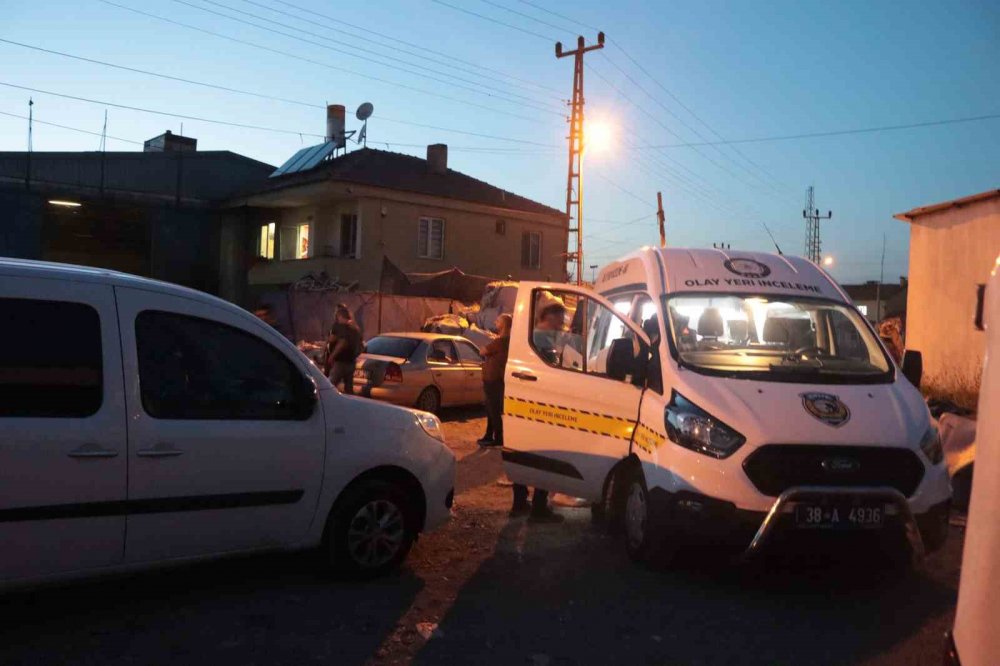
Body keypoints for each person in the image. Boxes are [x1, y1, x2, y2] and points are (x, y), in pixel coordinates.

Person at [478, 314, 511, 448]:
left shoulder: (500, 342)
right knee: (491, 409)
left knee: (493, 410)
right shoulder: (506, 341)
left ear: (503, 325)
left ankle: (498, 438)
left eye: (498, 321)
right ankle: (489, 435)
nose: (495, 322)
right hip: (495, 379)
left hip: (493, 380)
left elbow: (483, 351)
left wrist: (486, 350)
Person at [326, 304, 362, 395]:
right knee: (349, 389)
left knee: (329, 386)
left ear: (340, 316)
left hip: (341, 362)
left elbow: (342, 342)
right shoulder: (355, 328)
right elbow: (361, 345)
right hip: (351, 362)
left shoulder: (341, 327)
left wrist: (332, 355)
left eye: (337, 316)